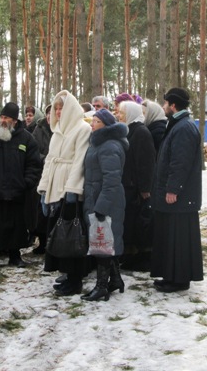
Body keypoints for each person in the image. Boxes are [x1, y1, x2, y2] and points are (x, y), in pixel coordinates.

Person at [0, 103, 42, 267]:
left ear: (15, 121)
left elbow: (34, 164)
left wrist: (26, 182)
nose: (3, 121)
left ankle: (15, 256)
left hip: (16, 191)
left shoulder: (27, 139)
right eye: (2, 117)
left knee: (15, 226)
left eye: (7, 118)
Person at [37, 90, 91, 296]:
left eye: (62, 108)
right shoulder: (58, 130)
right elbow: (49, 161)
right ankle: (67, 274)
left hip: (69, 188)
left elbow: (80, 161)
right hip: (54, 187)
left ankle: (75, 279)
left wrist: (72, 190)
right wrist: (43, 189)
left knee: (71, 234)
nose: (58, 112)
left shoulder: (82, 128)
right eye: (56, 108)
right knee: (58, 233)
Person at [151, 88, 203, 293]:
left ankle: (179, 279)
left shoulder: (183, 128)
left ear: (173, 105)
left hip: (180, 197)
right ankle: (171, 276)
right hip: (176, 196)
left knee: (179, 239)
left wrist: (173, 189)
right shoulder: (178, 125)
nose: (163, 107)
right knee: (172, 237)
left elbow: (180, 163)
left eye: (165, 103)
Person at [81, 109, 128, 301]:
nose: (92, 124)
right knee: (106, 241)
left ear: (106, 125)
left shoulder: (109, 146)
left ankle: (101, 286)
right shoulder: (98, 143)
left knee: (102, 243)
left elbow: (112, 180)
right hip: (97, 198)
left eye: (97, 122)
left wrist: (101, 206)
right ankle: (115, 280)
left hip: (107, 201)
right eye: (92, 121)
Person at [118, 101, 156, 271]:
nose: (119, 116)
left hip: (136, 187)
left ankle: (141, 256)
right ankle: (130, 255)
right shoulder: (129, 130)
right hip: (129, 185)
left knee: (138, 223)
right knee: (130, 223)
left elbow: (146, 162)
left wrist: (145, 188)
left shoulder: (141, 132)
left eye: (122, 113)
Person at [30, 104, 53, 254]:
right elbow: (33, 150)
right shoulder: (39, 128)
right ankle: (42, 241)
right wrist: (45, 159)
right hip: (42, 173)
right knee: (40, 210)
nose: (51, 116)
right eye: (48, 113)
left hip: (58, 173)